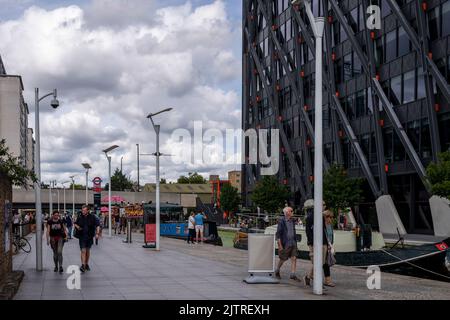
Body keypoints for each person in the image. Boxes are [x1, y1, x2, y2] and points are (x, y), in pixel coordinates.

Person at [304, 202, 335, 287]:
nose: (325, 206)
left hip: (323, 243)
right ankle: (314, 280)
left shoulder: (321, 217)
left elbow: (324, 231)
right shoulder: (310, 217)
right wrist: (311, 243)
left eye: (325, 205)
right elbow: (308, 231)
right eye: (323, 205)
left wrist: (328, 243)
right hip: (315, 243)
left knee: (320, 263)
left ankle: (309, 277)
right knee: (318, 262)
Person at [274, 207, 301, 281]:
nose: (293, 212)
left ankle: (292, 274)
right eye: (291, 211)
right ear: (287, 213)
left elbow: (296, 222)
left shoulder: (292, 220)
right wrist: (279, 245)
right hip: (285, 243)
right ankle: (277, 270)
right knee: (283, 259)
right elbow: (278, 234)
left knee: (294, 258)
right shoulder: (281, 221)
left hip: (293, 242)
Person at [74, 205, 100, 273]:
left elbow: (97, 225)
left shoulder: (93, 217)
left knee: (87, 251)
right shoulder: (80, 217)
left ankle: (86, 263)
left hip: (89, 236)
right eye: (82, 210)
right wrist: (78, 227)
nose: (83, 211)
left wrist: (97, 233)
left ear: (88, 210)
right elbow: (75, 223)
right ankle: (83, 265)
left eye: (84, 210)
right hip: (82, 236)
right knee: (83, 250)